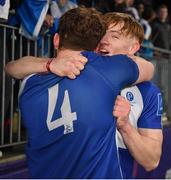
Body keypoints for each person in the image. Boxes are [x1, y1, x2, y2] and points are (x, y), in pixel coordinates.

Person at [5, 8, 154, 179]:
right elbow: (149, 68)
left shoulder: (29, 82)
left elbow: (11, 67)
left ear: (56, 40)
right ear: (97, 45)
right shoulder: (109, 70)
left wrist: (50, 64)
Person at [99, 12, 163, 178]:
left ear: (133, 48)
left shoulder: (147, 92)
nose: (103, 41)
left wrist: (125, 126)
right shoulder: (74, 72)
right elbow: (21, 67)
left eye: (114, 36)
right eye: (100, 33)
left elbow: (151, 160)